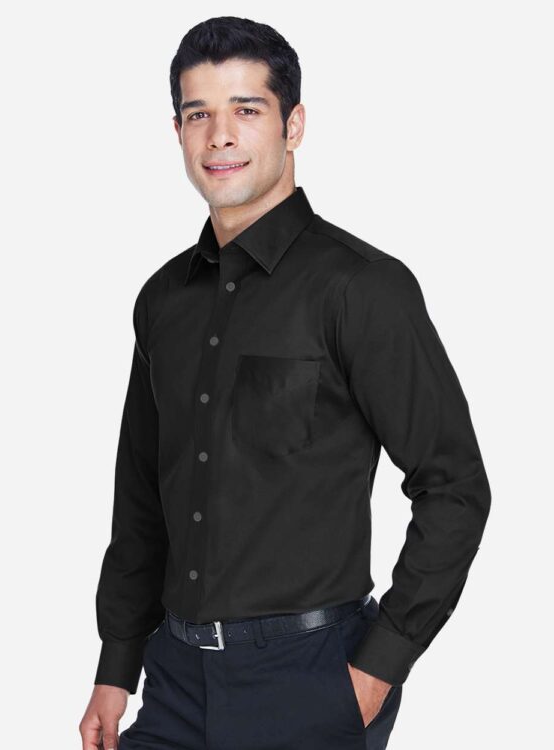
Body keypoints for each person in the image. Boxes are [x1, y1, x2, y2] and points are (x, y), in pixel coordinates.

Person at [79, 16, 491, 750]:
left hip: (311, 679)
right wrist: (117, 666)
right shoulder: (163, 300)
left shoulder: (361, 288)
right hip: (173, 683)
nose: (220, 136)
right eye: (198, 114)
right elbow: (141, 495)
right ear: (177, 132)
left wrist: (376, 670)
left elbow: (454, 486)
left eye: (246, 109)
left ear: (293, 125)